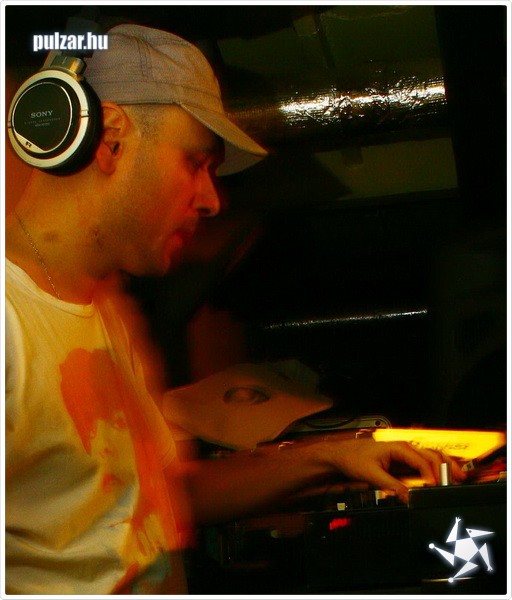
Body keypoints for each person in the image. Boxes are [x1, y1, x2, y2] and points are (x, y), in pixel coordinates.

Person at [4, 24, 466, 595]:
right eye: (196, 162)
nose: (211, 199)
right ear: (112, 140)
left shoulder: (108, 313)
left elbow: (166, 494)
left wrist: (333, 456)